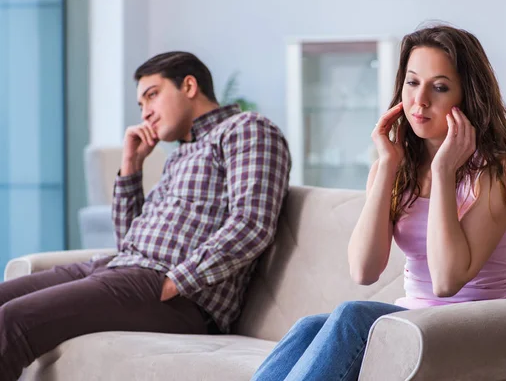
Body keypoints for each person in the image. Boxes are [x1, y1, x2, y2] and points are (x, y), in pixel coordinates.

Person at [251, 25, 506, 381]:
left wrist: (443, 172)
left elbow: (445, 281)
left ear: (467, 97)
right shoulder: (395, 166)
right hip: (417, 324)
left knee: (352, 318)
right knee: (309, 327)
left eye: (439, 87)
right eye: (412, 82)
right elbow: (364, 271)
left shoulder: (499, 169)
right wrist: (387, 168)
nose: (420, 100)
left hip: (481, 326)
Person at [0, 51, 291, 380]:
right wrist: (131, 167)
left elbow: (251, 225)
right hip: (122, 269)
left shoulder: (247, 129)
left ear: (190, 86)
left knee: (12, 321)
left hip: (174, 293)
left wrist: (177, 281)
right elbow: (128, 243)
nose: (145, 113)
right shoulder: (181, 155)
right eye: (140, 105)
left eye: (152, 95)